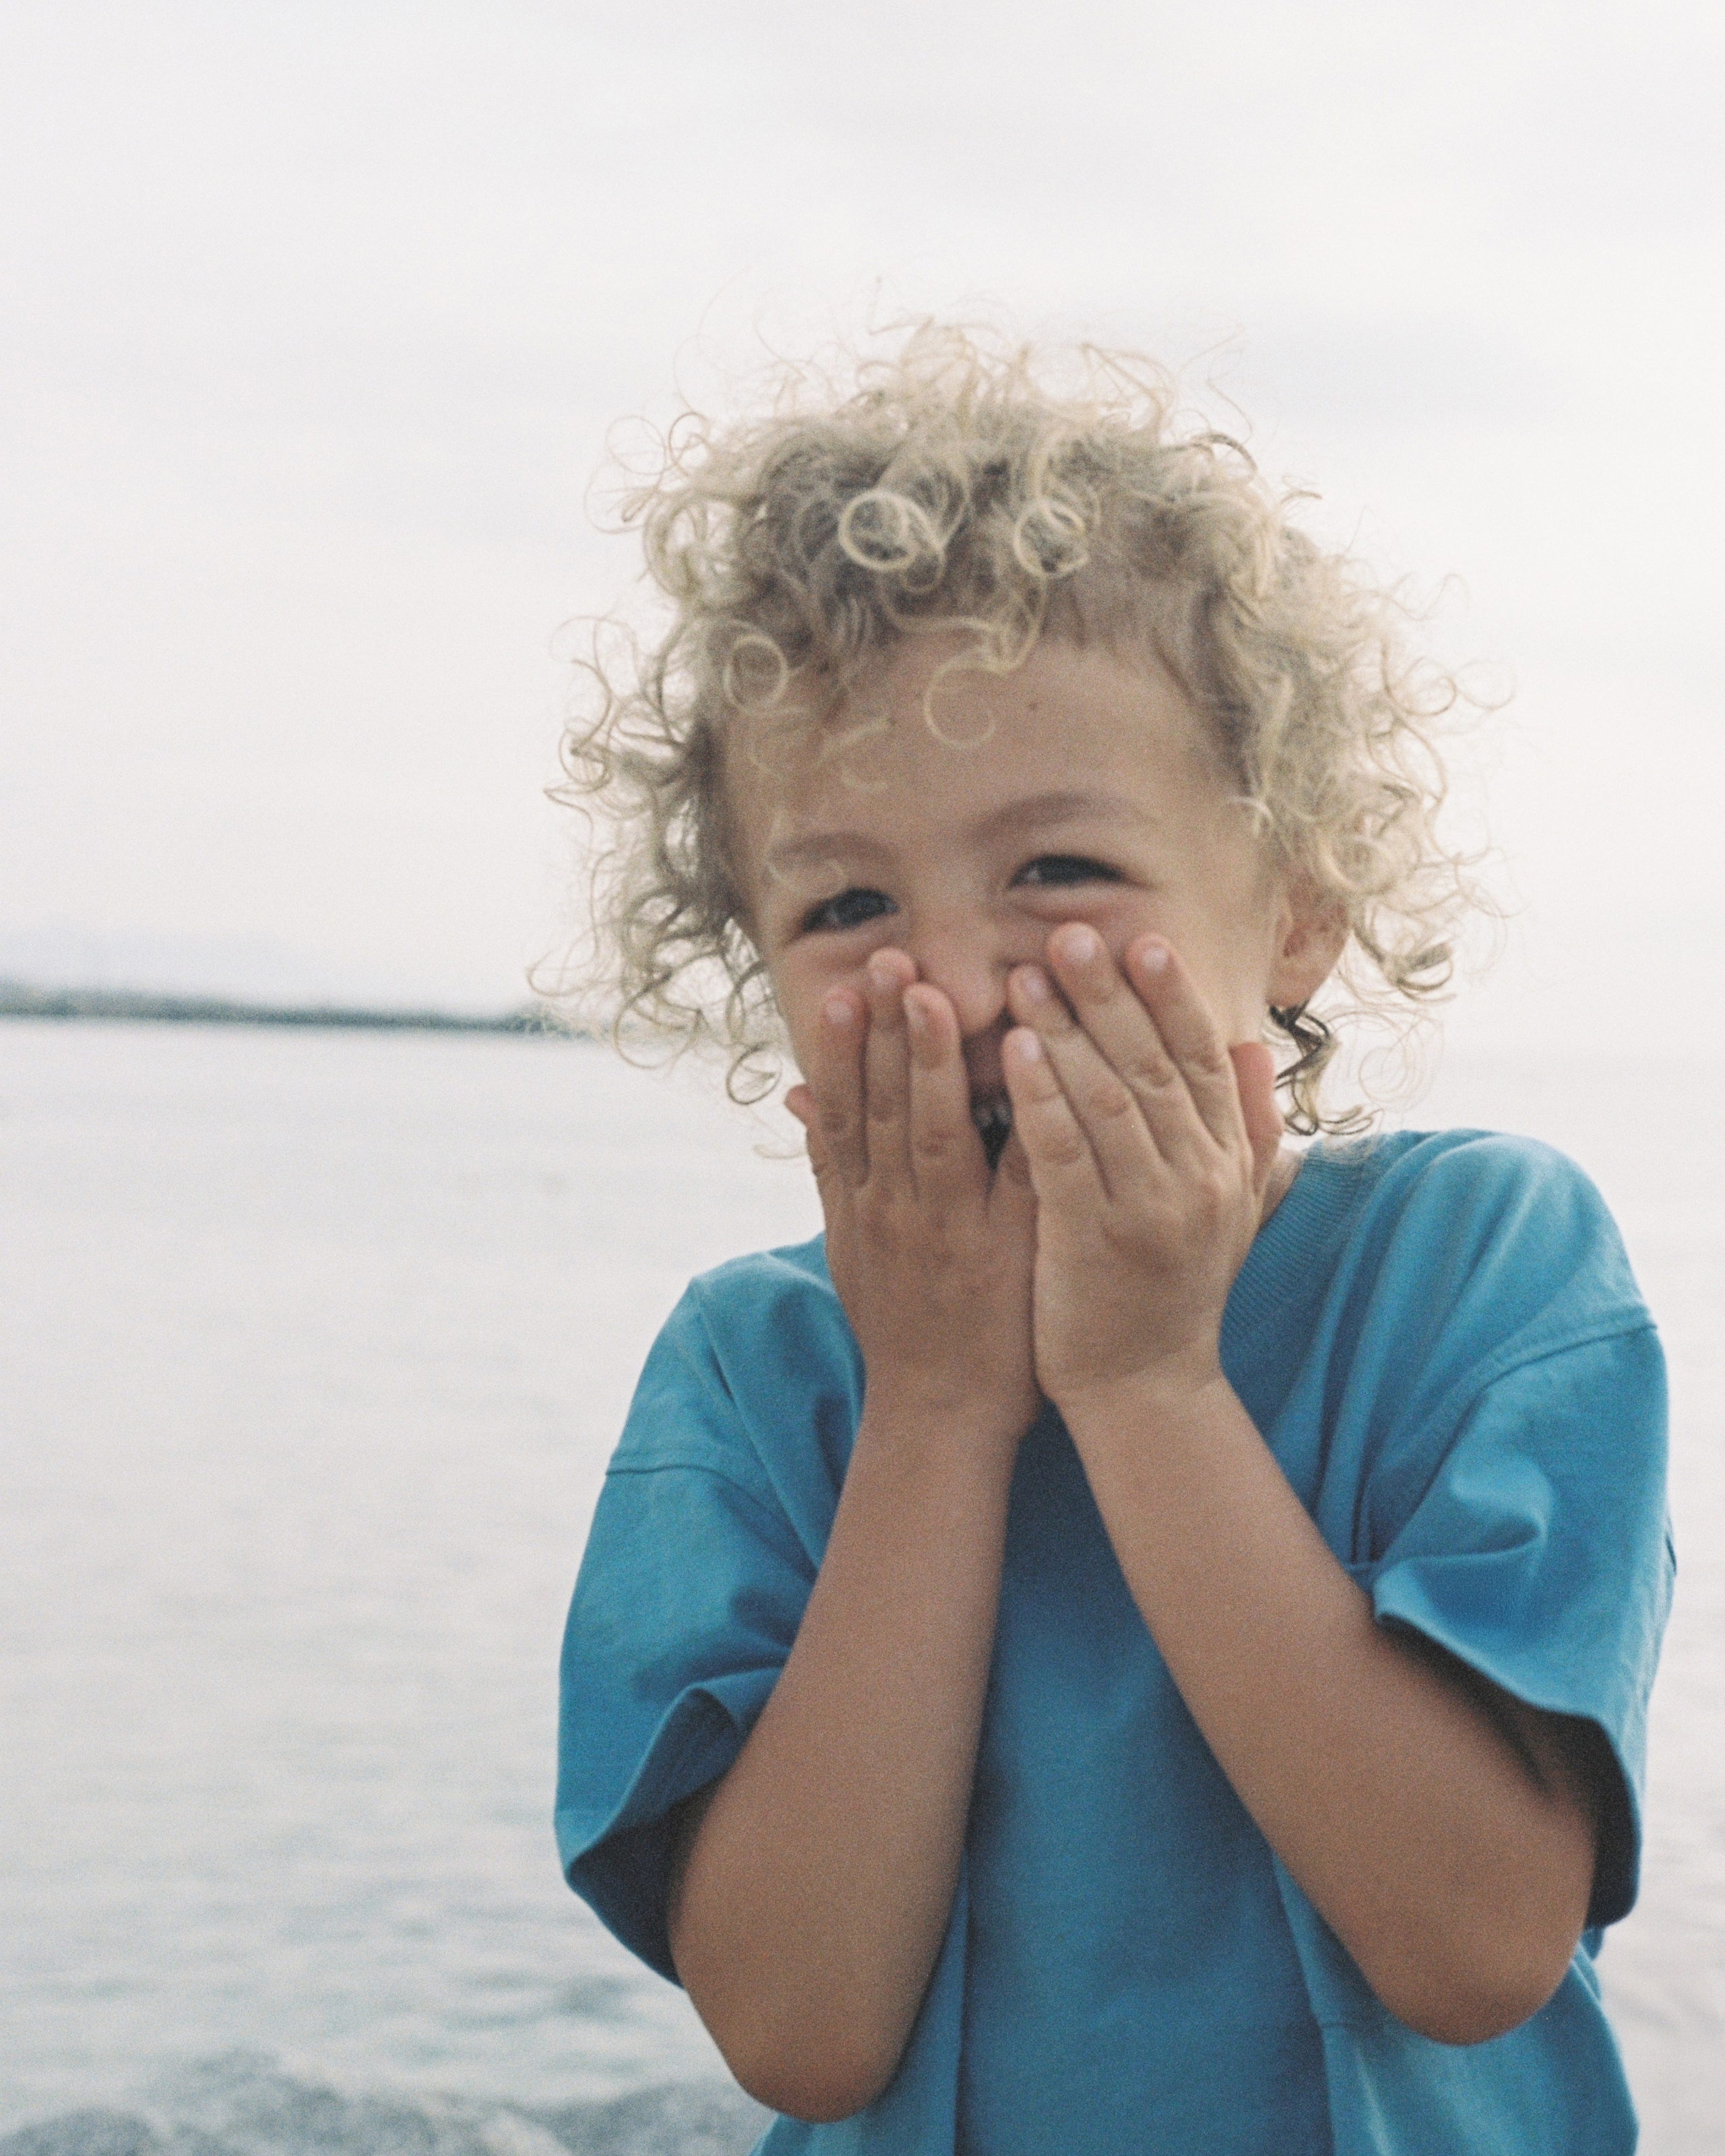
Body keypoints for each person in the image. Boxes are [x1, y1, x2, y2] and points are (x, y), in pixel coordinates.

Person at [552, 327, 1672, 2154]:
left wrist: (1146, 1383)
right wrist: (928, 1413)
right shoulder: (752, 1380)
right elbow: (799, 2032)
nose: (967, 979)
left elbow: (1475, 1949)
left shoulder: (1481, 1265)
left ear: (1294, 913)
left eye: (1059, 872)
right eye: (847, 902)